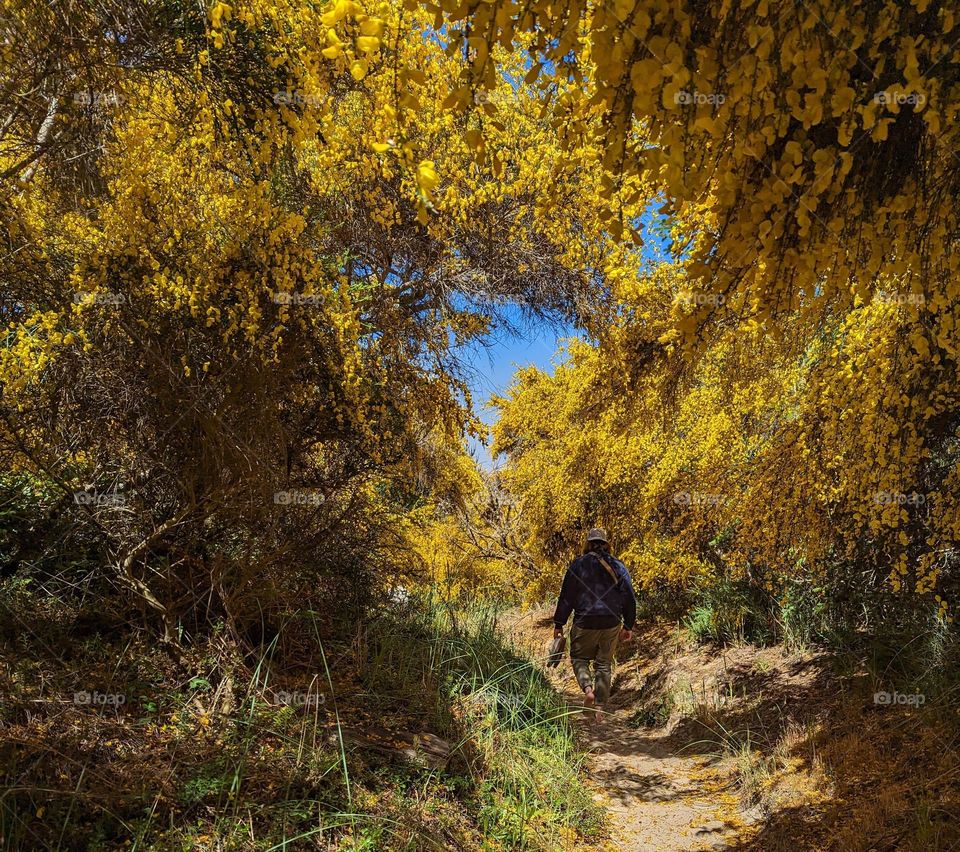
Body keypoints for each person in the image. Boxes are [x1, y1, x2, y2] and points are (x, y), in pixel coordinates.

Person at [552, 528, 637, 719]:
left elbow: (566, 596)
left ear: (588, 544)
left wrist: (559, 623)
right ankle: (599, 707)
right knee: (604, 664)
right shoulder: (618, 566)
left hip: (584, 621)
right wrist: (628, 625)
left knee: (579, 658)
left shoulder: (577, 565)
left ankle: (588, 690)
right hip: (611, 622)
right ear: (606, 544)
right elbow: (629, 596)